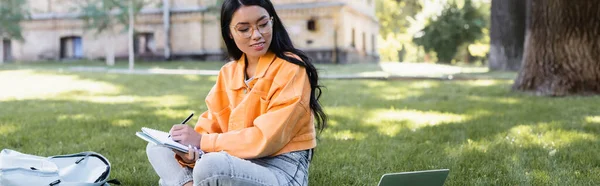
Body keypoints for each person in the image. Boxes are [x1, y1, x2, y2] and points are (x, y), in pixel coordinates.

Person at [145, 0, 327, 185]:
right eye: (244, 29)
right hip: (232, 158)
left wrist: (203, 143)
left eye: (263, 24)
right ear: (230, 33)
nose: (256, 35)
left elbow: (266, 138)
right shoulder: (228, 72)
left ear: (273, 22)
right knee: (158, 147)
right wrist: (191, 152)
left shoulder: (291, 68)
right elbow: (210, 126)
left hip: (279, 168)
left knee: (210, 166)